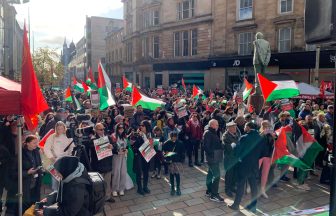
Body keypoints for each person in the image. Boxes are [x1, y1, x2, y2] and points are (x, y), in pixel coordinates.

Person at [229, 122, 262, 212]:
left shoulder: (244, 137)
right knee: (254, 186)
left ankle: (236, 205)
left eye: (244, 126)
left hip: (244, 165)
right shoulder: (259, 137)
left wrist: (233, 146)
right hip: (254, 165)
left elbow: (238, 151)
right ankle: (253, 207)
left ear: (248, 127)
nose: (244, 128)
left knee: (240, 185)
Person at [44, 121, 74, 191]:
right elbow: (46, 148)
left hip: (66, 161)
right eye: (58, 129)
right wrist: (51, 157)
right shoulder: (52, 136)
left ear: (64, 128)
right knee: (55, 181)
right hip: (55, 161)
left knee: (65, 179)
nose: (60, 130)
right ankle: (55, 195)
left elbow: (72, 148)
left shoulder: (68, 136)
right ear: (56, 129)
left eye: (61, 128)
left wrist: (70, 157)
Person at [90, 123, 114, 203]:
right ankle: (99, 199)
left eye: (103, 129)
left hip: (108, 163)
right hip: (98, 165)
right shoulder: (93, 139)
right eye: (100, 129)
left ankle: (107, 196)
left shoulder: (108, 137)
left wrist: (112, 146)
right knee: (99, 183)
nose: (103, 131)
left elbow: (114, 146)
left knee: (107, 181)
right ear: (96, 130)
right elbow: (91, 148)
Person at [204, 120, 224, 202]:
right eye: (217, 124)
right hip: (212, 158)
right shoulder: (208, 133)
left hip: (214, 157)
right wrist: (214, 154)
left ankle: (209, 191)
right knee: (217, 175)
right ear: (212, 125)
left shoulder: (213, 132)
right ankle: (214, 194)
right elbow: (206, 147)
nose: (218, 125)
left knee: (210, 174)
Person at [22, 135, 43, 213]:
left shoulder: (36, 151)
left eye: (37, 142)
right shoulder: (21, 153)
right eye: (34, 143)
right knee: (26, 203)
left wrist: (40, 169)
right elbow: (15, 171)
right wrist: (27, 172)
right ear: (27, 143)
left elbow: (39, 163)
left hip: (36, 182)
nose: (36, 144)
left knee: (35, 203)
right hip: (26, 183)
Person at [130, 120, 152, 195]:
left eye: (143, 126)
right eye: (140, 125)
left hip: (147, 153)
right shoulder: (137, 134)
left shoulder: (149, 134)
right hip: (138, 154)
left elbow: (150, 144)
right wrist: (138, 136)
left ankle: (145, 186)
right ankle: (139, 188)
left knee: (146, 171)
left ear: (146, 127)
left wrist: (145, 137)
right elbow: (133, 145)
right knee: (139, 172)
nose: (141, 127)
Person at [163, 132, 185, 196]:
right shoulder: (166, 143)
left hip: (177, 161)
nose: (173, 138)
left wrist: (181, 160)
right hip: (170, 161)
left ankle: (178, 188)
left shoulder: (180, 143)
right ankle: (172, 188)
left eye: (175, 136)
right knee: (172, 175)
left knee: (177, 175)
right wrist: (168, 155)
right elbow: (164, 152)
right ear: (170, 136)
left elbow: (183, 152)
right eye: (172, 136)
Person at [222, 121, 240, 198]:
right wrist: (231, 145)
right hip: (229, 158)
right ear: (229, 128)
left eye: (235, 127)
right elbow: (225, 147)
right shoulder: (225, 136)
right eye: (233, 127)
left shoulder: (236, 134)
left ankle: (232, 187)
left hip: (236, 158)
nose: (235, 128)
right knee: (229, 174)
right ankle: (227, 189)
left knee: (235, 174)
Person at [111, 123, 128, 197]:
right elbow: (111, 147)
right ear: (117, 129)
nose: (121, 129)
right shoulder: (113, 136)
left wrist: (126, 149)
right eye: (119, 128)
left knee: (123, 172)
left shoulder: (124, 136)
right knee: (116, 172)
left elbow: (126, 145)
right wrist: (117, 152)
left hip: (123, 156)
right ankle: (114, 189)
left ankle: (121, 188)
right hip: (116, 156)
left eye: (122, 128)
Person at [258, 120, 275, 199]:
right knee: (255, 171)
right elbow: (255, 141)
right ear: (262, 126)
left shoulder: (271, 134)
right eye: (265, 126)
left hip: (268, 155)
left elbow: (277, 141)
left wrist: (274, 136)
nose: (267, 128)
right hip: (259, 156)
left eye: (268, 126)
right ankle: (250, 186)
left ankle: (262, 189)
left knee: (265, 173)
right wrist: (262, 134)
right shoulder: (259, 133)